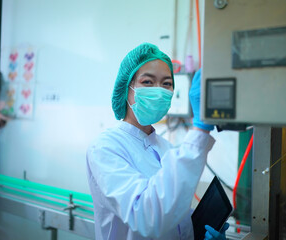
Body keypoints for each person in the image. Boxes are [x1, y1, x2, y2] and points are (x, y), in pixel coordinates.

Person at [86, 43, 228, 240]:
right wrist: (200, 130)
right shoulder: (105, 147)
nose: (159, 91)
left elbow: (171, 211)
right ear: (126, 87)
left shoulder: (166, 148)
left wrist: (196, 231)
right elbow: (146, 217)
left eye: (167, 84)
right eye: (147, 82)